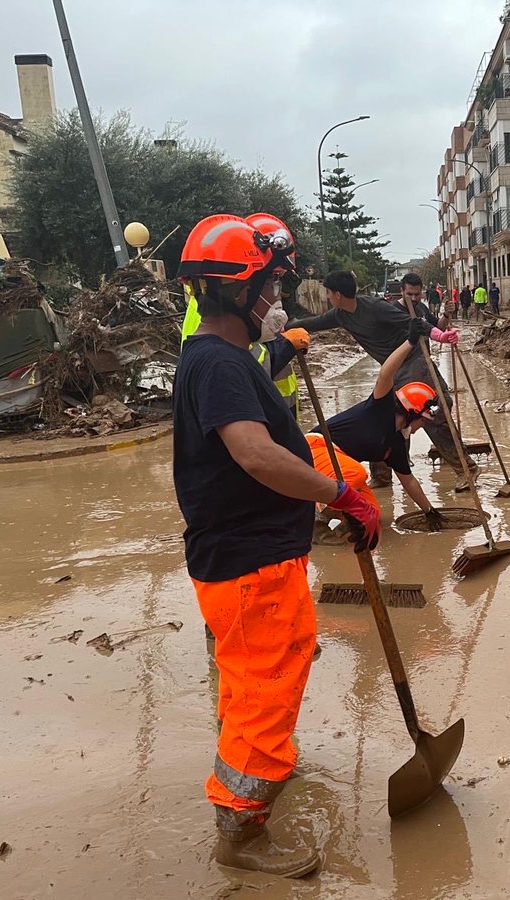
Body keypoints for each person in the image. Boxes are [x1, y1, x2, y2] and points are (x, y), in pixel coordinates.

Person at [172, 215, 380, 877]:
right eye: (269, 285)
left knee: (249, 688)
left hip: (251, 560)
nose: (275, 299)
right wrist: (337, 496)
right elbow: (258, 456)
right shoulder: (217, 363)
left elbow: (279, 445)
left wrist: (335, 476)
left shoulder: (225, 358)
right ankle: (241, 831)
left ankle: (247, 795)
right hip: (248, 566)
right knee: (264, 693)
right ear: (238, 290)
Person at [288, 271, 469, 489]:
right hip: (392, 369)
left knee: (432, 416)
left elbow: (416, 323)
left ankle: (466, 470)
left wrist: (440, 336)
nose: (327, 297)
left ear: (337, 294)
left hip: (413, 362)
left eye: (328, 293)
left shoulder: (375, 307)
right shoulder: (340, 315)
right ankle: (382, 478)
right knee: (379, 420)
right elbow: (314, 323)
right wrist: (285, 328)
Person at [319, 318, 448, 533]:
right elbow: (385, 373)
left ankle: (341, 529)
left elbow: (409, 482)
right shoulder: (380, 407)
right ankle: (317, 515)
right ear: (410, 414)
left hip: (340, 467)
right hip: (317, 450)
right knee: (357, 474)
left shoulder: (395, 445)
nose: (420, 427)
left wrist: (429, 511)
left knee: (372, 516)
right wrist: (410, 342)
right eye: (422, 420)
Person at [180, 212, 308, 419]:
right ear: (246, 289)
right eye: (273, 279)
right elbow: (247, 361)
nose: (277, 290)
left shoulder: (241, 312)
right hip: (258, 415)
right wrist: (286, 346)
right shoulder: (217, 342)